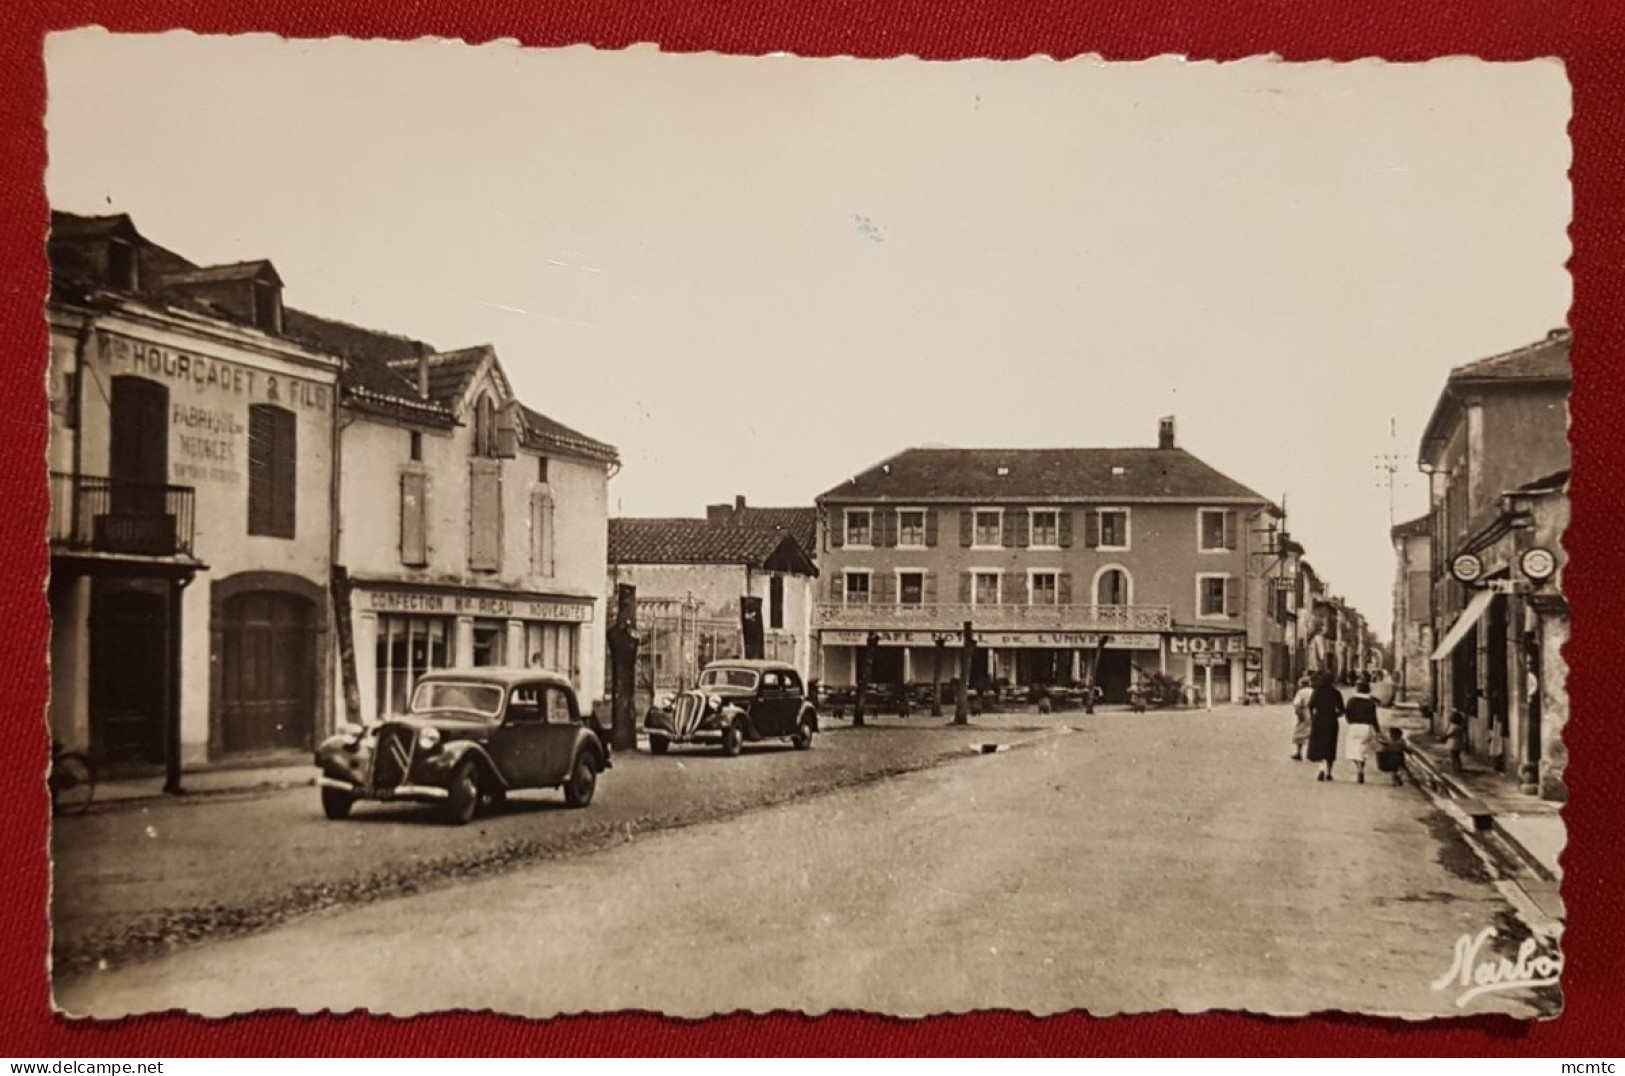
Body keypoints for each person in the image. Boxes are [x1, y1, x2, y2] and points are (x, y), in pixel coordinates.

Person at [1306, 672, 1346, 782]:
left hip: (1319, 720)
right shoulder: (1336, 693)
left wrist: (1312, 717)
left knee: (1320, 745)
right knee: (1330, 745)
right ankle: (1329, 772)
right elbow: (1342, 710)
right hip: (1331, 720)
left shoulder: (1317, 692)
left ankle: (1321, 769)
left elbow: (1310, 706)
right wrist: (1336, 715)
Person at [1344, 679, 1382, 784]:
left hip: (1354, 726)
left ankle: (1358, 768)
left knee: (1352, 749)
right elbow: (1374, 718)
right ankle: (1361, 767)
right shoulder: (1370, 703)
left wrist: (1350, 721)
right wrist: (1378, 731)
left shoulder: (1351, 701)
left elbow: (1347, 714)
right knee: (1363, 748)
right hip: (1366, 727)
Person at [1290, 675, 1314, 760]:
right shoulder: (1313, 691)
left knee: (1299, 733)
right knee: (1312, 733)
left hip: (1304, 713)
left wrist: (1298, 713)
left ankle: (1299, 752)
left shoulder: (1301, 692)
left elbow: (1297, 704)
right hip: (1313, 713)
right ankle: (1312, 753)